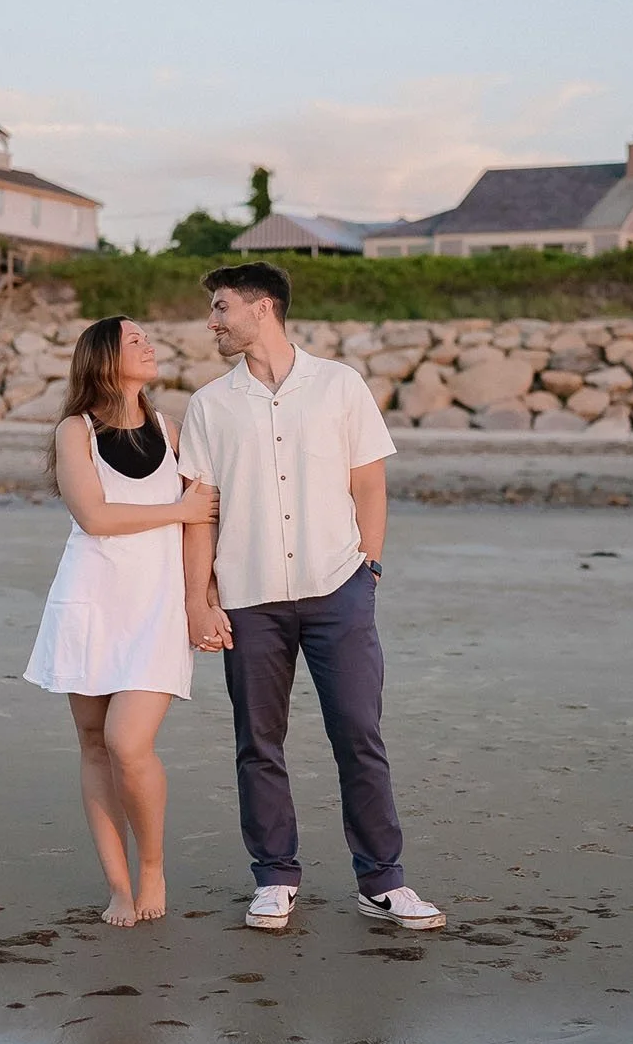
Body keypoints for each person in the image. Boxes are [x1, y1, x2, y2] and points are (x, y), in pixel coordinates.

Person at [177, 262, 446, 934]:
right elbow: (199, 512)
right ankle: (274, 876)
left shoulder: (340, 386)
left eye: (221, 307)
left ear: (263, 308)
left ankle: (383, 880)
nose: (212, 320)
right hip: (248, 598)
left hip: (339, 589)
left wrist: (370, 572)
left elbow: (370, 485)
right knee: (258, 741)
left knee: (359, 733)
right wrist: (200, 598)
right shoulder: (210, 405)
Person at [23, 316, 219, 928]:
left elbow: (200, 523)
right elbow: (96, 517)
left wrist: (199, 599)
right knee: (92, 744)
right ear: (104, 358)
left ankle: (153, 866)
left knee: (127, 743)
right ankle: (117, 885)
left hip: (157, 606)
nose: (148, 344)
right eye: (134, 339)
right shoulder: (74, 431)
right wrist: (177, 506)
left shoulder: (172, 430)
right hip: (90, 601)